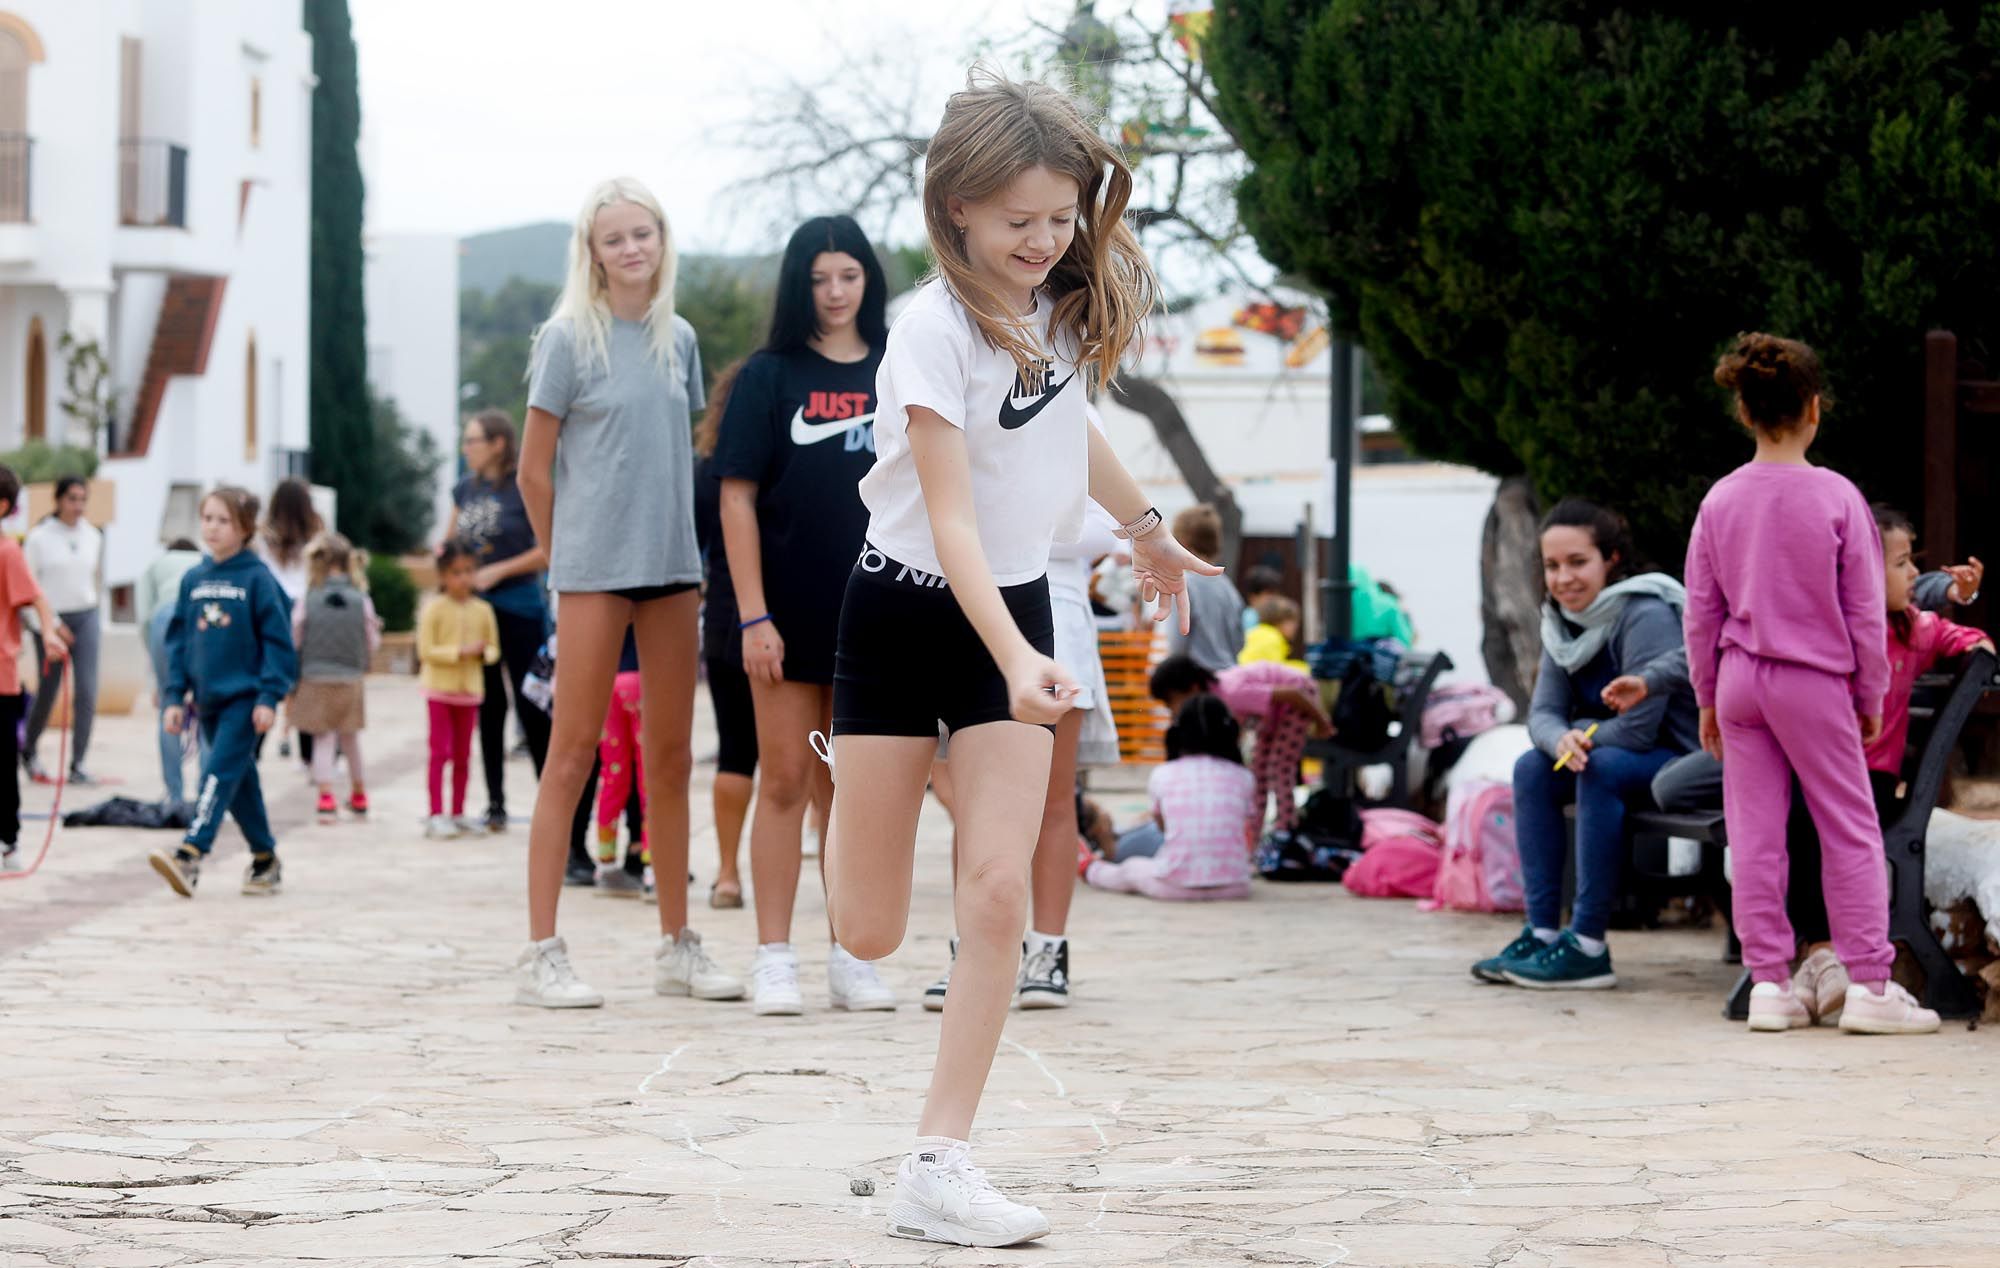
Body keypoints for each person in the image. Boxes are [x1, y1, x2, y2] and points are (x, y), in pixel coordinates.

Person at [819, 69, 1217, 1247]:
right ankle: (861, 780)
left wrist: (1148, 531)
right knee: (868, 931)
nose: (1044, 241)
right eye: (1018, 222)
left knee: (994, 890)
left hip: (1015, 630)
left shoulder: (1056, 310)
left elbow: (1068, 422)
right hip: (900, 613)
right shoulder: (926, 334)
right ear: (955, 217)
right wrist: (1011, 651)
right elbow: (948, 523)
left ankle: (939, 1158)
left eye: (1059, 216)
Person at [1604, 505, 1989, 1024]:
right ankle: (1817, 963)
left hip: (1859, 779)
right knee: (1678, 786)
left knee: (1797, 821)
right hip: (1790, 763)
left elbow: (1939, 621)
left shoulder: (1908, 630)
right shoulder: (1821, 627)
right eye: (1902, 562)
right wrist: (1656, 683)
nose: (1914, 572)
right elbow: (1722, 640)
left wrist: (1964, 611)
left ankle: (1820, 957)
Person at [516, 176, 742, 1009]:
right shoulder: (566, 340)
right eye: (614, 238)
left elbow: (673, 452)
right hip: (591, 572)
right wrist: (558, 554)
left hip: (674, 569)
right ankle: (541, 950)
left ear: (661, 239)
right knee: (571, 754)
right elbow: (532, 469)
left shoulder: (676, 339)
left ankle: (677, 944)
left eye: (642, 233)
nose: (632, 248)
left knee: (674, 757)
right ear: (593, 252)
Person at [1684, 333, 1941, 1034]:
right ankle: (1869, 985)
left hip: (1739, 682)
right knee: (1849, 828)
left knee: (1756, 833)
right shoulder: (1837, 497)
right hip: (1813, 681)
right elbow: (1865, 610)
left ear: (1744, 412)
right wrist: (1870, 695)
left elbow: (1700, 610)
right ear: (1815, 409)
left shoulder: (1720, 500)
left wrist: (1707, 695)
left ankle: (1770, 984)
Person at [712, 215, 895, 1015]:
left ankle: (851, 954)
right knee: (784, 780)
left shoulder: (898, 367)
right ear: (799, 285)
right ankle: (774, 956)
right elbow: (736, 496)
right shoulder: (767, 376)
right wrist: (753, 617)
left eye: (847, 277)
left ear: (868, 280)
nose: (834, 293)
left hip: (879, 618)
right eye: (819, 279)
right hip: (783, 619)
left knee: (851, 792)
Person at [1469, 498, 1696, 991]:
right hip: (1611, 755)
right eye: (1552, 566)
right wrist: (1559, 740)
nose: (1563, 578)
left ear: (1611, 559)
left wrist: (1580, 740)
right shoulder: (1562, 621)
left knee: (1600, 766)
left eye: (1577, 562)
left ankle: (1589, 944)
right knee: (1533, 767)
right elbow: (1544, 714)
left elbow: (1639, 729)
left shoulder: (1645, 613)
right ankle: (1543, 931)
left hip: (1676, 757)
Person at [923, 499, 1123, 1013]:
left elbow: (1113, 527)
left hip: (1059, 612)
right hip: (974, 609)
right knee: (974, 806)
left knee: (1056, 800)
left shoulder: (1082, 422)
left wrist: (1016, 525)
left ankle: (1047, 951)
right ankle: (969, 949)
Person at [147, 487, 298, 898]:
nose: (212, 528)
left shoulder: (259, 579)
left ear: (245, 528)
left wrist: (270, 696)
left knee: (216, 772)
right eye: (207, 518)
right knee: (238, 779)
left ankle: (190, 854)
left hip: (246, 702)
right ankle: (265, 859)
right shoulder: (194, 578)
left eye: (223, 520)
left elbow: (279, 643)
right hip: (207, 701)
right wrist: (175, 695)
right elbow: (177, 642)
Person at [448, 408, 552, 835]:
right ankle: (494, 802)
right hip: (477, 612)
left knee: (533, 703)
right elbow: (449, 542)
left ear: (498, 444)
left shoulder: (522, 489)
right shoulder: (462, 490)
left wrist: (499, 570)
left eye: (473, 441)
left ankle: (551, 797)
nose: (466, 449)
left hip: (519, 607)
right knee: (488, 705)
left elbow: (549, 548)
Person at [1084, 694, 1256, 900]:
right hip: (1235, 885)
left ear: (1177, 734)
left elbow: (1163, 827)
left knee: (1131, 869)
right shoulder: (1243, 777)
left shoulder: (1164, 773)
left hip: (1175, 886)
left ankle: (1091, 868)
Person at [1146, 654, 1331, 844]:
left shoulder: (1230, 694)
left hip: (1298, 698)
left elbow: (1294, 694)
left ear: (1192, 688)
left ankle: (1285, 835)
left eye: (1171, 702)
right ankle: (1253, 841)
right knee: (1258, 774)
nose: (1171, 710)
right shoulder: (1213, 700)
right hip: (1273, 713)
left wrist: (1322, 722)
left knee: (1279, 768)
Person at [691, 405, 753, 909]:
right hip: (791, 612)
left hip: (726, 612)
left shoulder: (706, 468)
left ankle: (728, 873)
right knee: (811, 756)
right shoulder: (785, 452)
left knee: (734, 748)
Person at [0, 466, 67, 871]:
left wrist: (51, 633)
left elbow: (37, 600)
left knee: (2, 763)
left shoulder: (7, 552)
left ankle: (8, 839)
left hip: (1, 677)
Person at [292, 533, 380, 823]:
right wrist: (364, 659)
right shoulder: (361, 599)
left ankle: (326, 796)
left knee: (324, 739)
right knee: (351, 738)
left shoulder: (309, 598)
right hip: (350, 676)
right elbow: (371, 638)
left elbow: (296, 632)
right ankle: (359, 793)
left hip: (315, 675)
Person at [22, 475, 102, 785]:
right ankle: (28, 749)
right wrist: (51, 625)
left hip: (86, 615)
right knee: (49, 689)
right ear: (58, 500)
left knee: (87, 690)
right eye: (72, 499)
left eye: (83, 499)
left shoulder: (94, 536)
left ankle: (78, 762)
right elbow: (29, 589)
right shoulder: (39, 538)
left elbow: (93, 581)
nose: (78, 506)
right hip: (50, 619)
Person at [420, 540, 501, 839]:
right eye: (456, 572)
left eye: (469, 571)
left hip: (470, 692)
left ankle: (458, 811)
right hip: (439, 691)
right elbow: (426, 650)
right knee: (439, 752)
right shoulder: (434, 609)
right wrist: (459, 652)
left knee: (463, 755)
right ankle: (436, 812)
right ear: (443, 575)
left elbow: (493, 649)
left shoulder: (483, 609)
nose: (463, 578)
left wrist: (481, 653)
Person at [257, 476, 323, 765]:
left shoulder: (264, 537)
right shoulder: (316, 535)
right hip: (306, 615)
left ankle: (255, 749)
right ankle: (308, 754)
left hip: (274, 611)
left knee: (269, 680)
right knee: (305, 687)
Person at [137, 537, 205, 810]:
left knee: (170, 708)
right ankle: (206, 798)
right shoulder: (205, 563)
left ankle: (174, 795)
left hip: (163, 618)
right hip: (200, 616)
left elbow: (143, 618)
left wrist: (156, 677)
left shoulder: (155, 565)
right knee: (206, 712)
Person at [1163, 503, 1244, 672]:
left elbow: (1177, 643)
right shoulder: (1227, 586)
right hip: (1229, 676)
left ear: (1182, 542)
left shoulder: (1183, 584)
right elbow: (1239, 641)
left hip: (1195, 680)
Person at [1239, 594, 1308, 673]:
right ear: (1278, 621)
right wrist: (1306, 669)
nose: (1296, 626)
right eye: (1292, 621)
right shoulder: (1272, 638)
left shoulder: (1261, 632)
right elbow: (1275, 673)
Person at [1240, 564, 1282, 635]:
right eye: (1269, 594)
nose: (1274, 599)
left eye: (1276, 594)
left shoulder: (1272, 618)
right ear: (1253, 596)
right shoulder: (1249, 618)